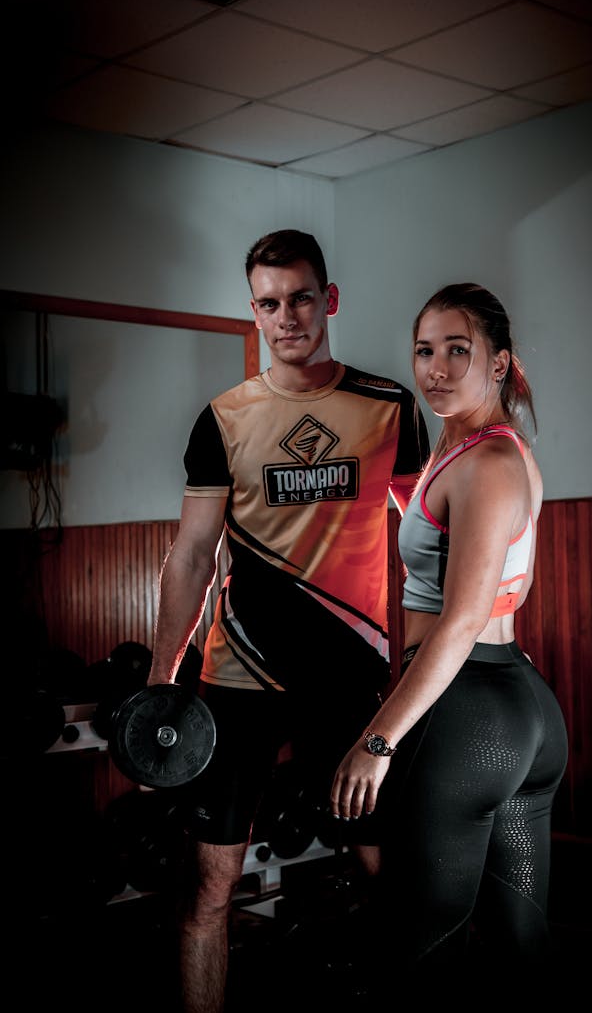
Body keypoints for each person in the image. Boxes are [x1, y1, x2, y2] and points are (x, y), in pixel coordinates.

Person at [146, 228, 430, 1013]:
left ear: (328, 299)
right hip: (239, 675)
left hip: (350, 675)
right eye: (269, 303)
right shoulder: (224, 418)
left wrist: (460, 635)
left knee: (388, 872)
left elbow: (430, 536)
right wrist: (160, 677)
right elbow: (192, 553)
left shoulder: (387, 409)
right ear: (254, 313)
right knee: (209, 888)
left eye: (301, 297)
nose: (287, 316)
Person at [331, 282, 569, 996]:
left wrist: (379, 740)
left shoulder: (489, 466)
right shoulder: (475, 454)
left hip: (469, 715)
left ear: (499, 364)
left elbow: (462, 619)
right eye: (424, 351)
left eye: (457, 351)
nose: (435, 368)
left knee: (415, 950)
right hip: (515, 710)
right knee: (515, 950)